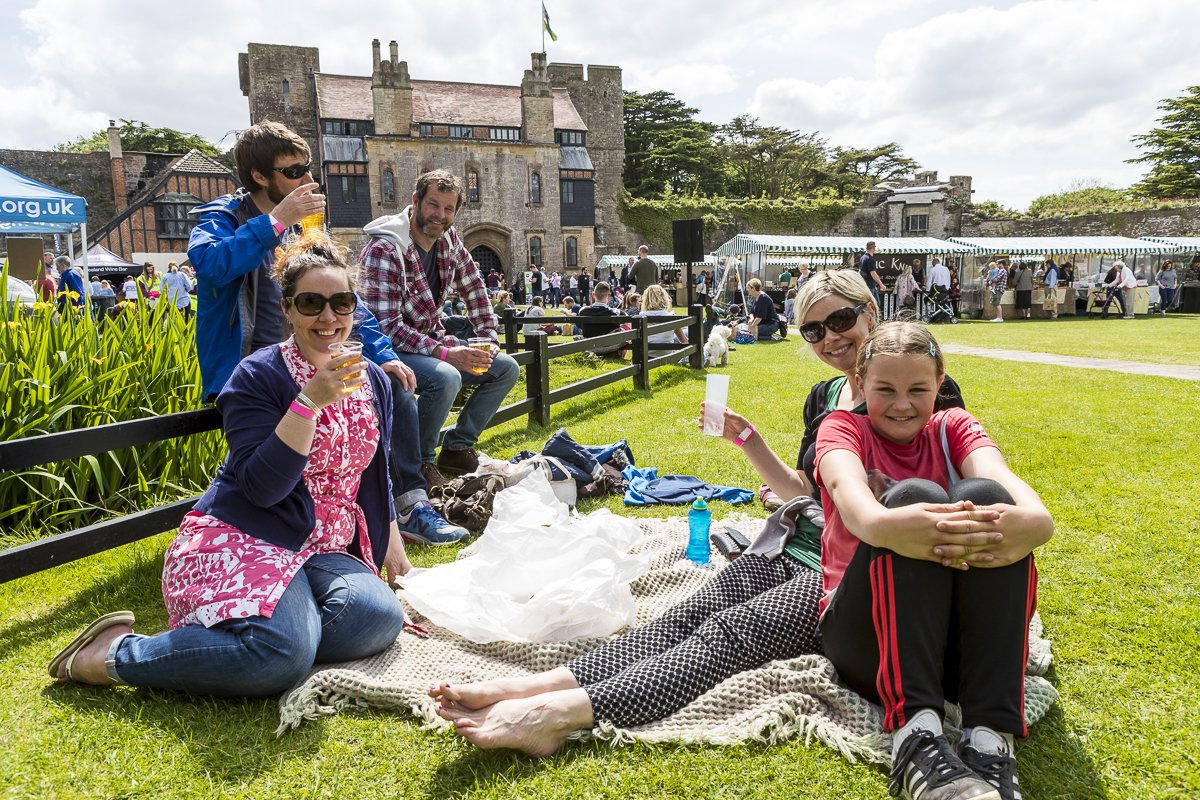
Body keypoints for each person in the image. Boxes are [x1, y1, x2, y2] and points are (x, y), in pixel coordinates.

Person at [427, 275, 986, 768]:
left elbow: (934, 487)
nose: (831, 337)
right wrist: (746, 439)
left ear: (871, 312)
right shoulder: (826, 395)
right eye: (814, 330)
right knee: (687, 614)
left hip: (857, 567)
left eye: (841, 319)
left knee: (729, 636)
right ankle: (544, 682)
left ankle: (563, 713)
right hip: (803, 538)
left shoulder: (919, 383)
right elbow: (805, 491)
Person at [47, 237, 414, 698]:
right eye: (311, 303)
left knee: (379, 618)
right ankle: (114, 653)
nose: (328, 317)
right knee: (280, 656)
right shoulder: (258, 376)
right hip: (248, 535)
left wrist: (393, 550)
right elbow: (262, 488)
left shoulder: (373, 379)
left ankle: (271, 635)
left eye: (341, 302)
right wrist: (309, 403)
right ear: (287, 310)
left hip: (322, 549)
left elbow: (373, 472)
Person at [188, 122, 460, 547]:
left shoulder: (304, 227)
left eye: (308, 168)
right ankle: (243, 539)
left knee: (392, 393)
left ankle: (400, 509)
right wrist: (276, 221)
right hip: (253, 372)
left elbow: (343, 296)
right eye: (294, 171)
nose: (308, 181)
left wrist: (384, 354)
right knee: (264, 466)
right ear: (260, 176)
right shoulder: (225, 217)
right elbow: (210, 265)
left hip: (310, 358)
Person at [816, 321, 1052, 800]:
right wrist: (910, 523)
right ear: (859, 385)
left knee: (987, 497)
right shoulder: (843, 428)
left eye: (918, 389)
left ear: (939, 385)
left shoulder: (953, 426)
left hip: (949, 647)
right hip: (868, 640)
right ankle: (916, 737)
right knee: (912, 498)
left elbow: (1001, 478)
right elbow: (853, 501)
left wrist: (1035, 523)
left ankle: (990, 738)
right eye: (885, 389)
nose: (902, 405)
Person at [358, 168, 520, 484]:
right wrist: (446, 353)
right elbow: (385, 328)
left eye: (448, 209)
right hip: (387, 353)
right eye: (433, 205)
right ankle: (418, 462)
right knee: (444, 378)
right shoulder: (385, 249)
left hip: (431, 344)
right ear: (415, 201)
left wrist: (487, 339)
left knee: (506, 368)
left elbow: (474, 287)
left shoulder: (448, 239)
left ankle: (458, 448)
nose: (440, 215)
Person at [577, 281, 629, 356]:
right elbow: (628, 320)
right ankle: (621, 354)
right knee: (624, 327)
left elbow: (579, 326)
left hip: (590, 346)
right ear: (608, 295)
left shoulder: (583, 311)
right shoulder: (616, 312)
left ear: (593, 295)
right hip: (610, 348)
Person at [858, 241, 886, 306]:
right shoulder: (870, 259)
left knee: (869, 304)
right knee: (875, 304)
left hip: (865, 284)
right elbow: (873, 273)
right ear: (873, 248)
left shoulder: (863, 257)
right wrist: (881, 284)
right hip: (870, 285)